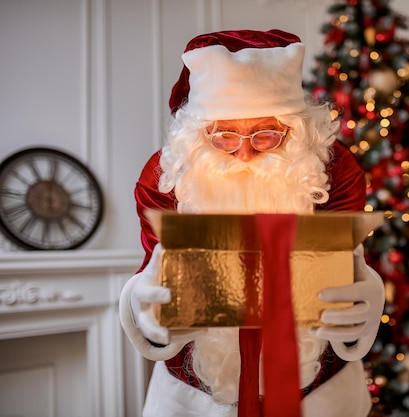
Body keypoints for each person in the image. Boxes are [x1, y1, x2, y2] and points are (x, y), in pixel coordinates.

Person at [119, 29, 384, 417]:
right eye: (224, 136)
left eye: (266, 134)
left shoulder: (333, 168)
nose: (243, 152)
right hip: (193, 393)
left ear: (293, 129)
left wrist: (366, 291)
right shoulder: (168, 173)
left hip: (319, 386)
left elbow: (349, 260)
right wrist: (143, 301)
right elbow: (152, 265)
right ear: (198, 133)